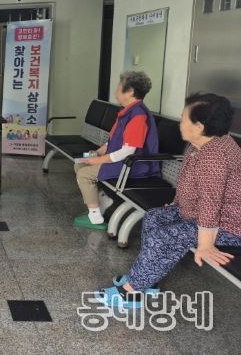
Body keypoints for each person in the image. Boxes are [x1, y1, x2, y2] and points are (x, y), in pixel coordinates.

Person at [96, 93, 241, 308]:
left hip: (229, 226)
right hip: (197, 213)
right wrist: (175, 205)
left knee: (165, 236)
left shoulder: (215, 157)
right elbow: (188, 180)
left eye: (183, 119)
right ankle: (146, 279)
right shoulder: (203, 142)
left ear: (199, 127)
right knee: (154, 217)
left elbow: (211, 203)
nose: (180, 123)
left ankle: (131, 293)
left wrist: (206, 244)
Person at [74, 71, 160, 226]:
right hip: (120, 160)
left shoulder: (138, 116)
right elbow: (114, 140)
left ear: (130, 91)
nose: (116, 92)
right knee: (80, 163)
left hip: (134, 166)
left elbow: (128, 151)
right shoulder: (127, 112)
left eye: (119, 87)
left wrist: (98, 160)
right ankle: (103, 201)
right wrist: (98, 152)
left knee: (84, 174)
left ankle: (95, 217)